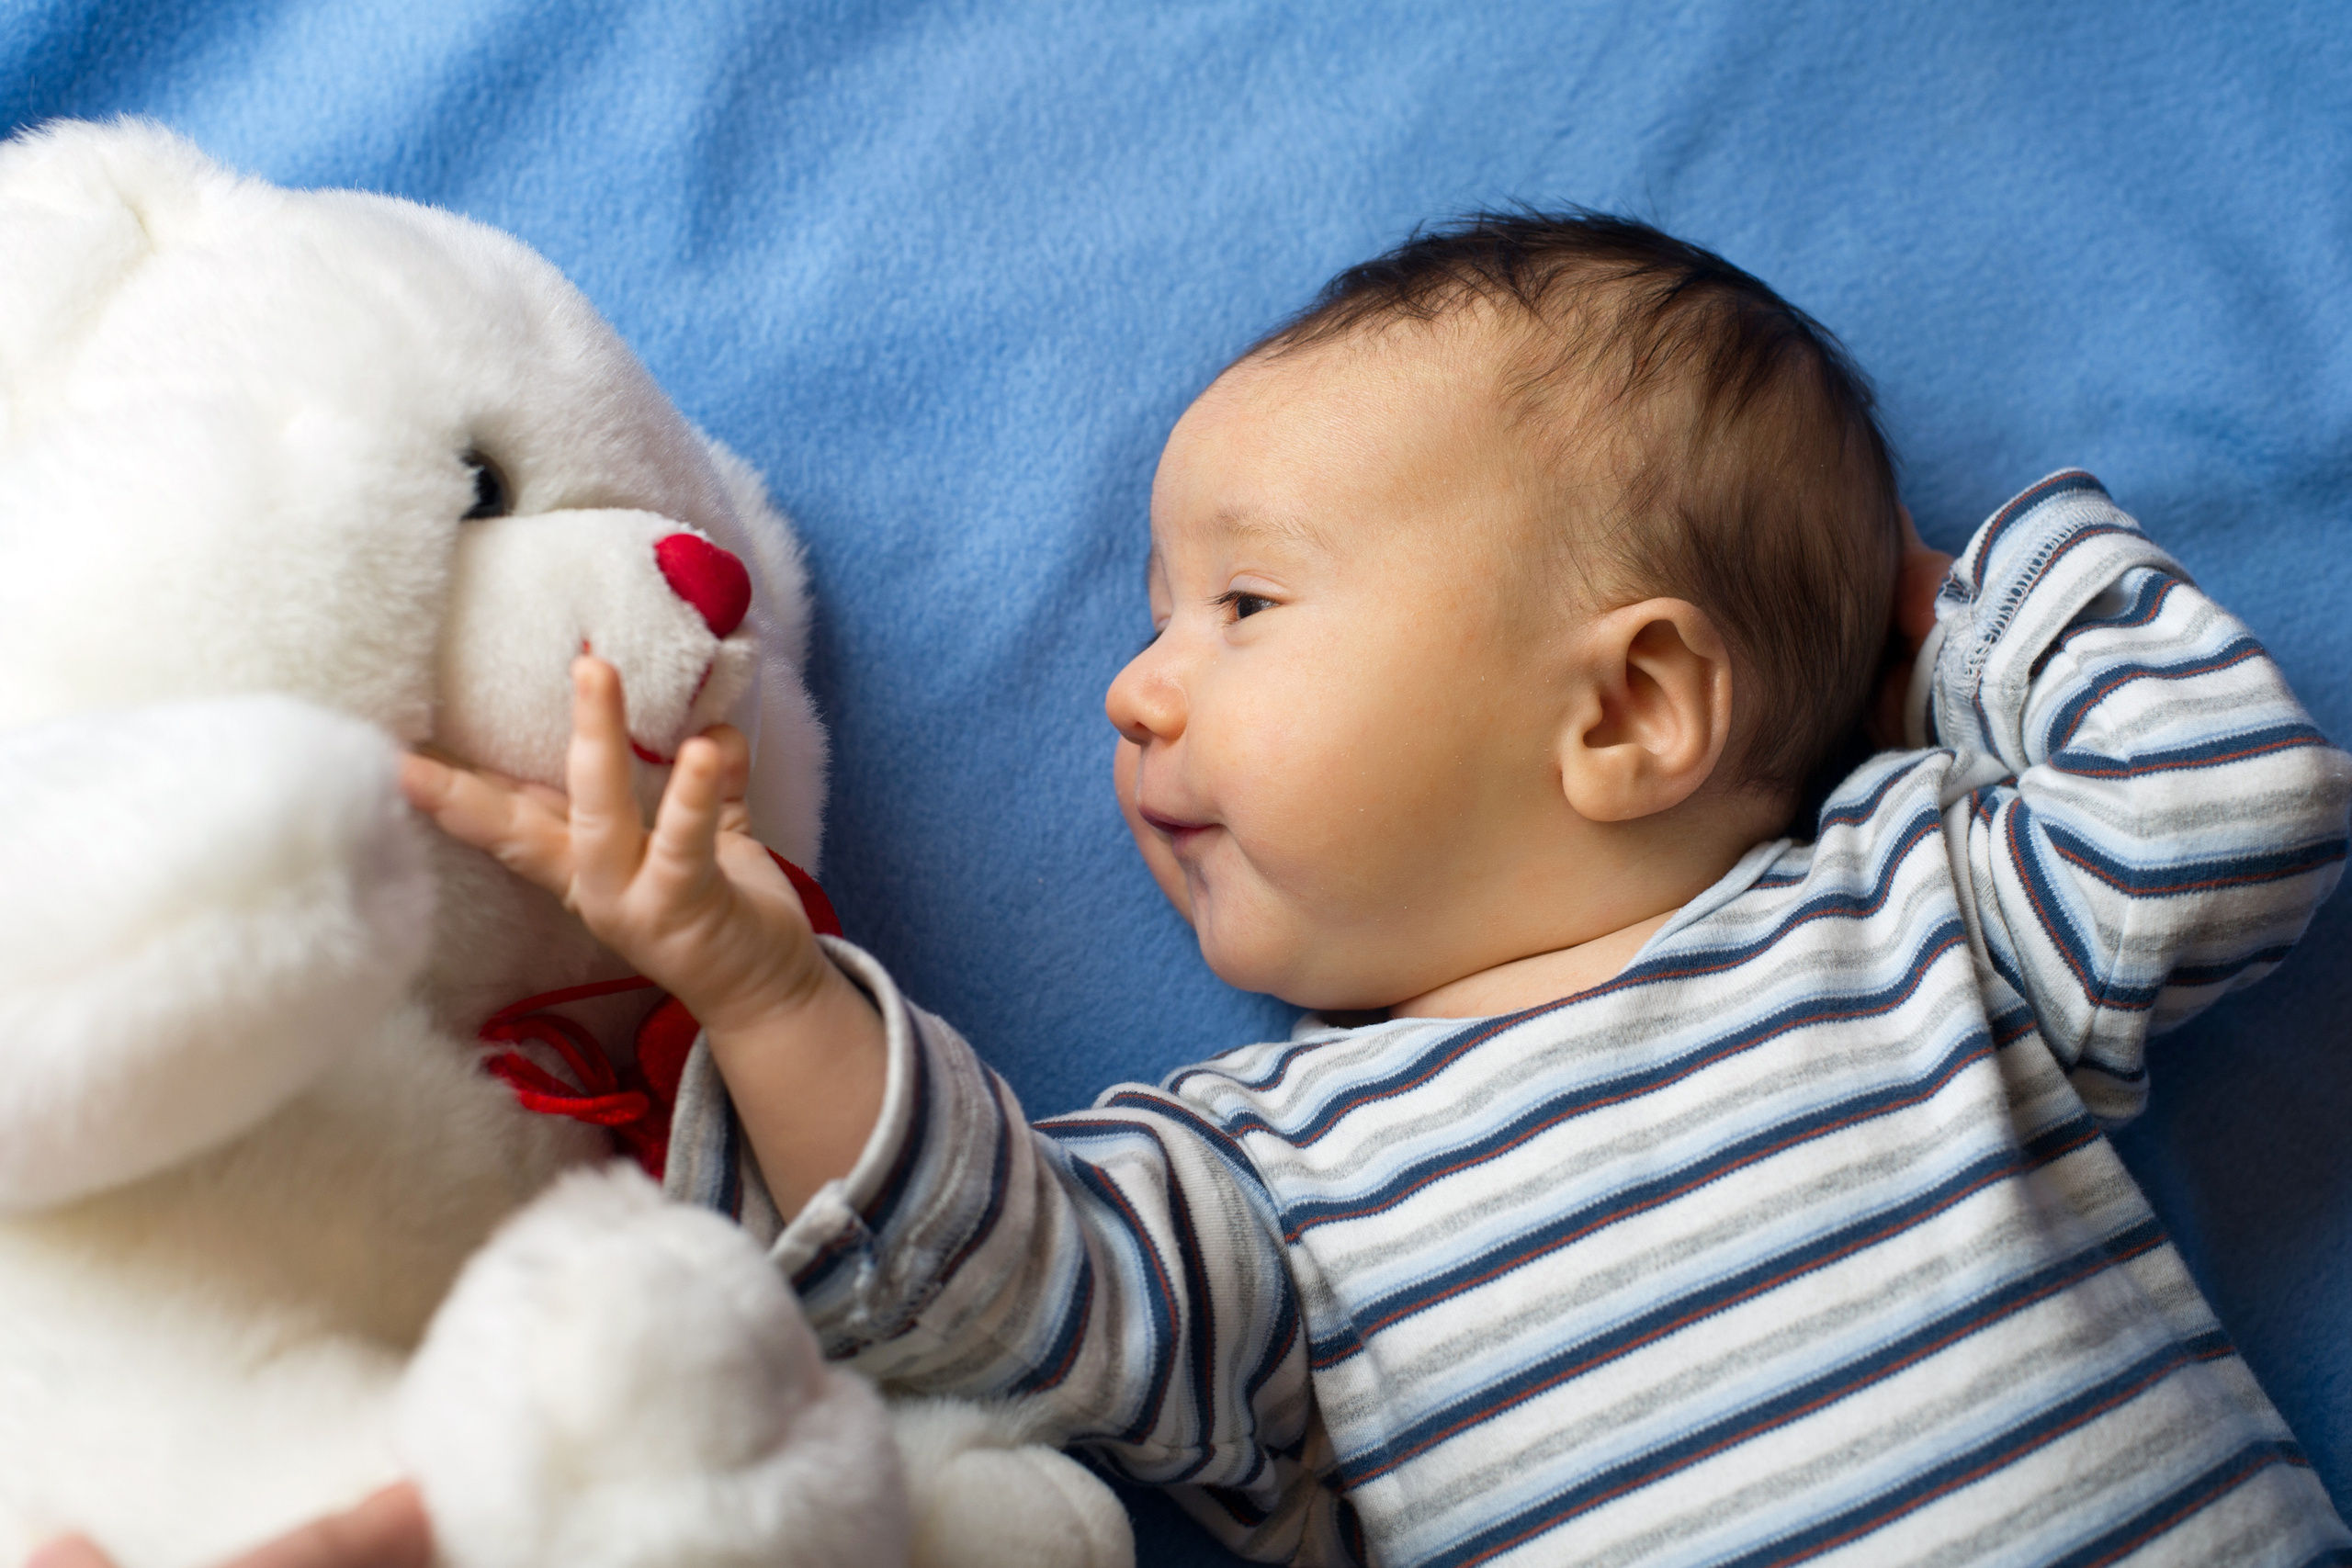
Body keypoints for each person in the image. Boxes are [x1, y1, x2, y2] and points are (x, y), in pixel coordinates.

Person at [391, 213, 2351, 1565]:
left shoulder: (1914, 915)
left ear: (1633, 703)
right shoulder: (1259, 1175)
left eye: (1241, 602)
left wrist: (1955, 608)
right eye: (1161, 617)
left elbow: (2222, 804)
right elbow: (987, 1288)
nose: (1133, 684)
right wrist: (763, 989)